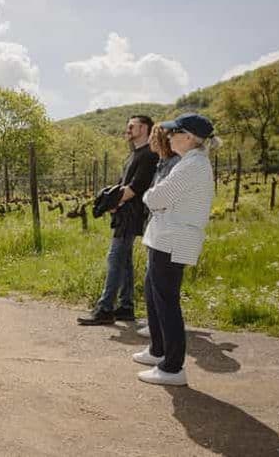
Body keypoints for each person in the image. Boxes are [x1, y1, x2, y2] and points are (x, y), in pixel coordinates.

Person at [132, 113, 219, 386]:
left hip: (172, 239)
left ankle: (172, 367)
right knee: (154, 295)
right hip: (164, 238)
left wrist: (152, 196)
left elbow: (155, 197)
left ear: (189, 137)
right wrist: (155, 198)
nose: (168, 137)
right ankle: (158, 350)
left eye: (173, 133)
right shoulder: (189, 163)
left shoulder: (192, 166)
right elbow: (159, 198)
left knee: (166, 302)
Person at [78, 116, 159, 326]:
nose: (128, 129)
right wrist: (110, 203)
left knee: (115, 258)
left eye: (132, 126)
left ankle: (105, 309)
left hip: (132, 215)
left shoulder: (149, 155)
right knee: (124, 261)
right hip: (123, 213)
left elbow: (136, 187)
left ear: (144, 128)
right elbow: (122, 184)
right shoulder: (134, 154)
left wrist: (114, 202)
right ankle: (125, 307)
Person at [136, 126, 181, 339]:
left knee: (159, 286)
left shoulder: (174, 165)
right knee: (151, 282)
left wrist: (150, 197)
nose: (151, 141)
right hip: (156, 228)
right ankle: (156, 326)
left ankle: (161, 332)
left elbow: (159, 197)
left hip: (166, 233)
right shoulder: (162, 164)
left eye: (155, 137)